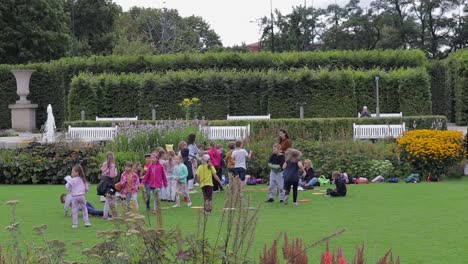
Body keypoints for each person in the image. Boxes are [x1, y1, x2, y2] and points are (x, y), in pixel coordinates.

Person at [99, 151, 118, 220]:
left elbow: (103, 173)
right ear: (113, 158)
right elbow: (112, 175)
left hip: (104, 184)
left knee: (108, 199)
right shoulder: (112, 165)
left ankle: (106, 214)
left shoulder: (104, 164)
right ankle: (112, 214)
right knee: (112, 199)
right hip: (110, 184)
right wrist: (116, 172)